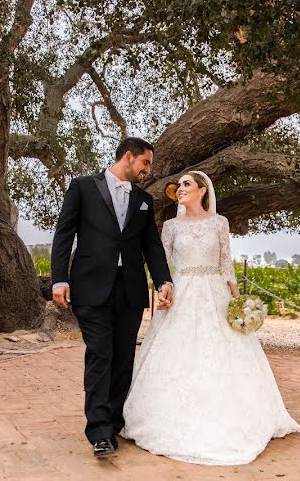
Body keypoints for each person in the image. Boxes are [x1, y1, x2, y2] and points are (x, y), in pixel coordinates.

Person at [120, 171, 300, 465]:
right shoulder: (170, 226)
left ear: (203, 190)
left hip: (214, 293)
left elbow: (226, 262)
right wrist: (162, 290)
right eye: (178, 186)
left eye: (186, 185)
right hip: (180, 294)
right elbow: (161, 263)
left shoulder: (220, 223)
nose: (180, 189)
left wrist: (239, 300)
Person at [50, 137, 174, 457]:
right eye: (145, 163)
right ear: (128, 157)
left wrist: (163, 281)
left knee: (123, 359)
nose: (148, 170)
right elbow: (64, 234)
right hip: (91, 287)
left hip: (130, 290)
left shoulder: (144, 199)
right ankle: (99, 431)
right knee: (100, 355)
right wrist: (59, 279)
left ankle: (115, 423)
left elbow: (152, 246)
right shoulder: (82, 188)